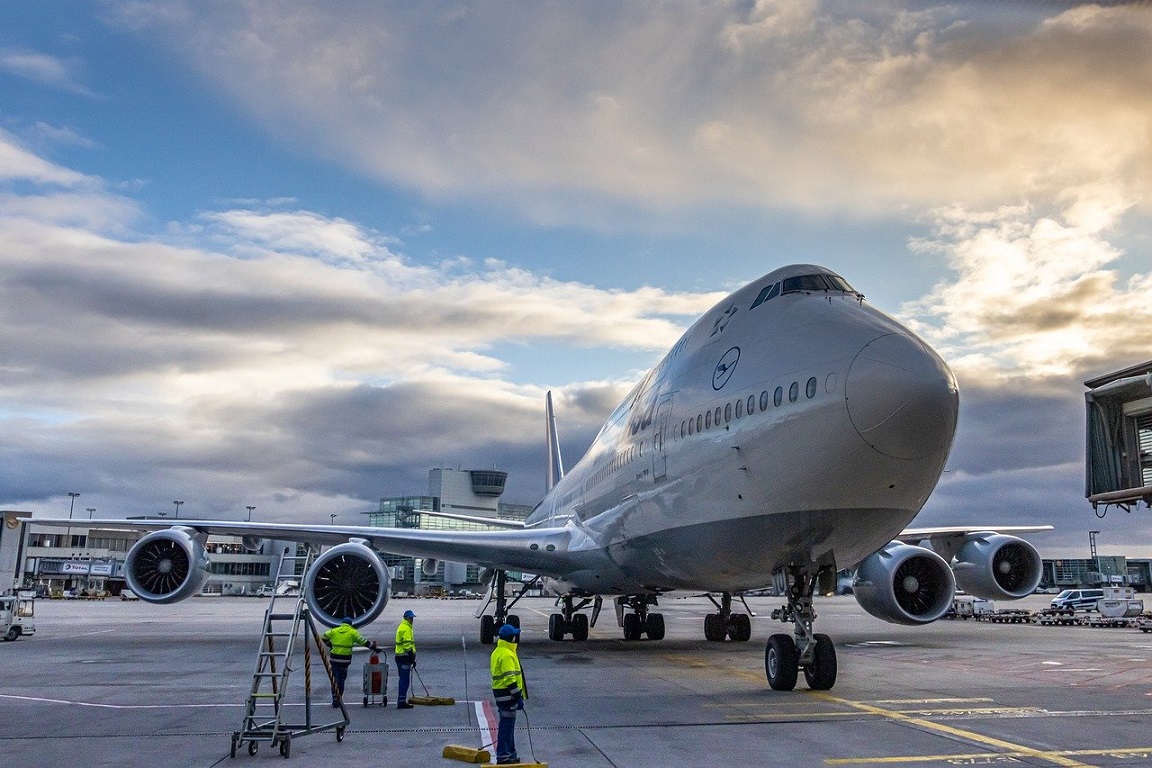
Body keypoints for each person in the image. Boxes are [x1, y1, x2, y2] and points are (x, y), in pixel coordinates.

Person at [489, 623, 526, 765]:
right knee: (506, 727)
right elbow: (510, 678)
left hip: (501, 695)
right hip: (508, 696)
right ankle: (503, 755)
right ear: (510, 638)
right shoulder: (507, 655)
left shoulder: (498, 651)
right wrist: (518, 696)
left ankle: (510, 752)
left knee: (508, 726)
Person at [322, 617, 377, 707]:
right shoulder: (352, 632)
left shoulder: (335, 631)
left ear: (342, 624)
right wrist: (373, 647)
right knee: (342, 679)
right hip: (345, 660)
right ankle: (339, 698)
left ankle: (335, 699)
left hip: (334, 659)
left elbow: (323, 636)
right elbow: (363, 642)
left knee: (335, 679)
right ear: (350, 625)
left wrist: (330, 645)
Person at [394, 609, 417, 709]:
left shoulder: (404, 627)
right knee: (404, 680)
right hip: (404, 657)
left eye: (412, 618)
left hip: (400, 657)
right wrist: (412, 657)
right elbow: (407, 645)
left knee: (403, 679)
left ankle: (401, 699)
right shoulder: (406, 628)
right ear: (406, 618)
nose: (412, 620)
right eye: (410, 618)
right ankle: (401, 701)